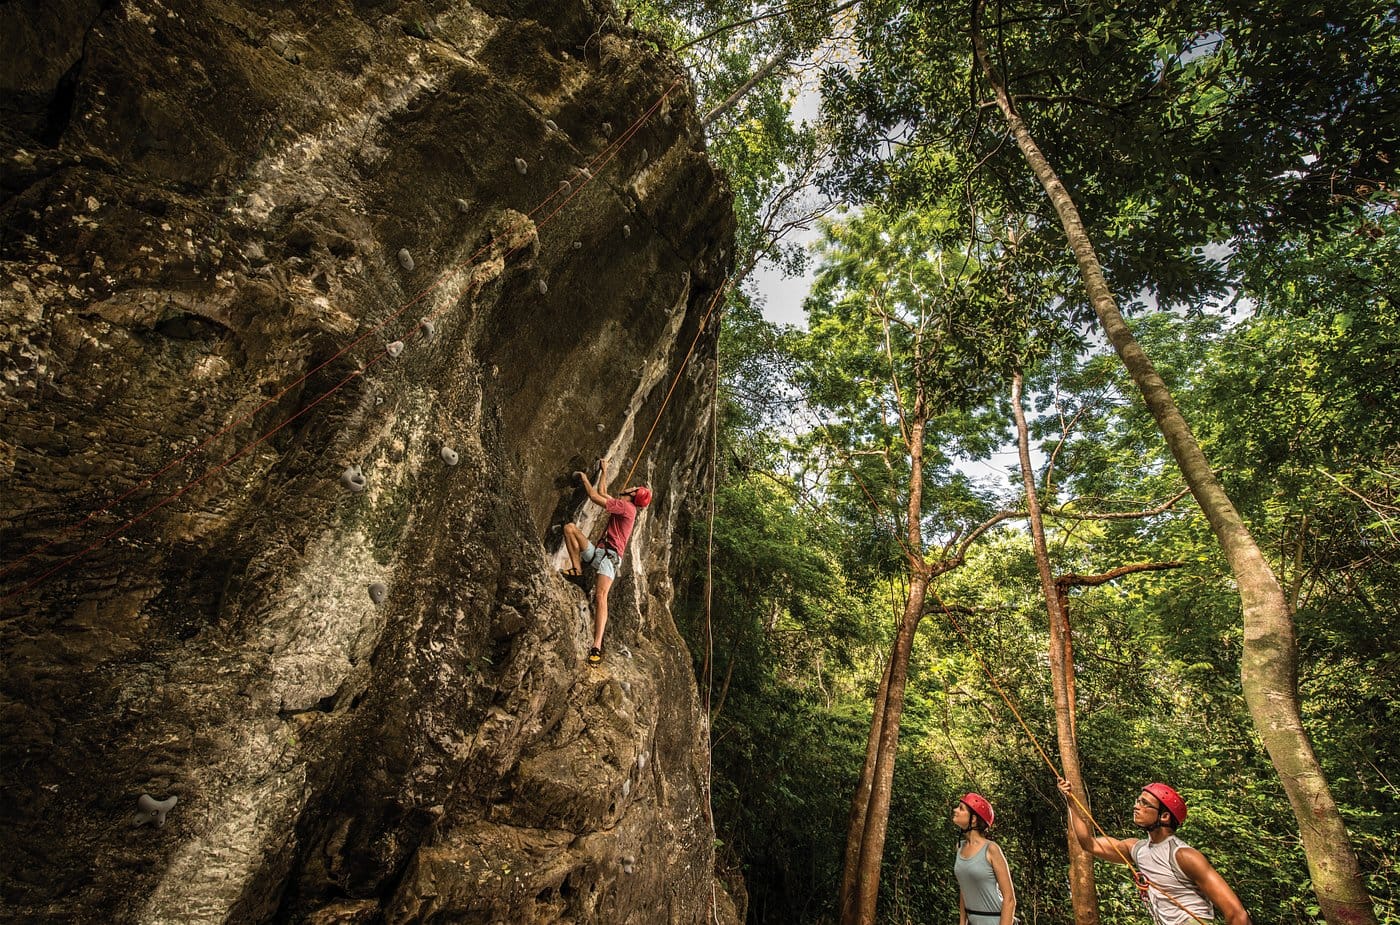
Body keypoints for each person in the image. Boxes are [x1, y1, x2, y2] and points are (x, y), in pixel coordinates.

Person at [1057, 778, 1251, 925]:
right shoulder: (1137, 849)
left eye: (1144, 804)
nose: (1136, 806)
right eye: (1138, 801)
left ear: (1164, 816)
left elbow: (1237, 914)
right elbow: (1088, 843)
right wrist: (1071, 802)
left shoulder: (1184, 856)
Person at [561, 457, 652, 665]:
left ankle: (596, 646)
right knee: (569, 529)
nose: (629, 487)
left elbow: (594, 496)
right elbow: (603, 493)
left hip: (609, 560)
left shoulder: (627, 509)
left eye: (633, 488)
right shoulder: (624, 506)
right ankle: (577, 569)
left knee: (601, 596)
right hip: (599, 553)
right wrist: (604, 470)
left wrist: (584, 479)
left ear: (633, 495)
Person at [952, 792, 1017, 925]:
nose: (955, 810)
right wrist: (962, 922)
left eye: (960, 808)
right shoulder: (960, 848)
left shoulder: (991, 849)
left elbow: (1009, 899)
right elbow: (965, 888)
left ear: (974, 819)